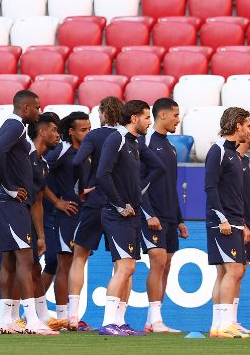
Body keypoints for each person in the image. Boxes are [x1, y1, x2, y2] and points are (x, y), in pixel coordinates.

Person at [96, 100, 164, 336]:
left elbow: (158, 167)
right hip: (116, 214)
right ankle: (108, 323)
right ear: (134, 118)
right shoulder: (117, 138)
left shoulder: (135, 143)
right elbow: (102, 174)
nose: (150, 122)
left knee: (128, 268)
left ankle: (120, 321)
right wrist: (119, 203)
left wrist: (138, 193)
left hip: (130, 214)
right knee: (124, 268)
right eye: (147, 117)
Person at [0, 90, 47, 335]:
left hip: (8, 203)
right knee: (25, 259)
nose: (39, 111)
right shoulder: (15, 126)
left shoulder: (15, 127)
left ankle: (6, 321)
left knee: (10, 261)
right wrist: (10, 187)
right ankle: (33, 321)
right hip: (10, 203)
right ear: (25, 108)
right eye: (36, 107)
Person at [67, 96, 124, 330]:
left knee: (79, 256)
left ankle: (72, 316)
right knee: (122, 263)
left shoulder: (93, 136)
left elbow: (77, 159)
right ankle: (117, 318)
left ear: (102, 113)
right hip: (118, 204)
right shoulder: (125, 137)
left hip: (94, 202)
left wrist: (86, 183)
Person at [138, 98, 188, 334]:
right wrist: (148, 214)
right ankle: (155, 319)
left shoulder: (170, 146)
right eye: (176, 115)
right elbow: (138, 183)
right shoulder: (145, 142)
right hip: (152, 215)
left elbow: (171, 184)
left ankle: (153, 320)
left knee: (166, 265)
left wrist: (179, 219)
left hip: (169, 215)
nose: (178, 120)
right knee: (157, 260)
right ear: (163, 115)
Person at [205, 107, 250, 339]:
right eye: (247, 125)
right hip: (222, 222)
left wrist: (241, 223)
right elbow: (210, 187)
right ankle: (225, 325)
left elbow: (234, 193)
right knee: (232, 270)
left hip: (233, 220)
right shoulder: (218, 151)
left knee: (224, 273)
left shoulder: (233, 153)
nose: (249, 130)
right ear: (237, 126)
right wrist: (222, 218)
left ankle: (218, 326)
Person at [43, 112, 89, 324]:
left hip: (83, 214)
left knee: (74, 264)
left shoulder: (89, 152)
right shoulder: (61, 150)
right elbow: (37, 173)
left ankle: (70, 315)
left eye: (89, 129)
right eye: (83, 130)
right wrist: (57, 202)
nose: (87, 133)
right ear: (71, 132)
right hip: (64, 216)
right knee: (64, 263)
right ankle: (62, 316)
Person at [27, 112, 68, 332]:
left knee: (34, 266)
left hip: (34, 219)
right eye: (53, 130)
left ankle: (40, 316)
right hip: (14, 214)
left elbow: (39, 200)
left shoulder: (42, 162)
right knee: (19, 265)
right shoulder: (25, 155)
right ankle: (20, 317)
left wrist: (41, 235)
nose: (57, 135)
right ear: (42, 131)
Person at [233, 120, 250, 335]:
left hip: (247, 221)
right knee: (233, 271)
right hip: (237, 222)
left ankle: (233, 320)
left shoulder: (244, 160)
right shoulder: (232, 160)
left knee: (241, 270)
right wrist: (242, 223)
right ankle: (226, 320)